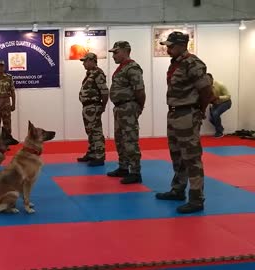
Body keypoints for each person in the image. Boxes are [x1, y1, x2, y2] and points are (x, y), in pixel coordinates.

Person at [155, 31, 215, 214]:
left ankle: (197, 199)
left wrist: (199, 111)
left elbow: (207, 92)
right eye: (167, 46)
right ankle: (178, 190)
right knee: (177, 155)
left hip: (187, 114)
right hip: (174, 114)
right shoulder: (176, 63)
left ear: (182, 45)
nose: (168, 49)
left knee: (192, 158)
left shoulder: (193, 63)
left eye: (171, 46)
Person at [106, 41, 146, 184]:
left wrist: (138, 108)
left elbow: (140, 91)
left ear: (125, 51)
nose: (113, 56)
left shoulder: (132, 68)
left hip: (128, 107)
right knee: (120, 139)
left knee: (130, 140)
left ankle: (135, 172)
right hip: (120, 108)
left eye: (116, 52)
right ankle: (123, 167)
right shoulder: (122, 68)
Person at [76, 52, 109, 167]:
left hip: (93, 106)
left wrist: (103, 106)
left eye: (85, 61)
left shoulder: (98, 73)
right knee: (90, 131)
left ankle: (99, 157)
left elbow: (105, 92)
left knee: (96, 132)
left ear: (92, 61)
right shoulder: (90, 73)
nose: (83, 64)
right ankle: (91, 153)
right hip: (87, 107)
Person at [207, 73, 231, 138]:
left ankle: (219, 132)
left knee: (215, 114)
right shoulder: (206, 87)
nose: (207, 81)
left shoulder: (220, 85)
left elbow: (228, 96)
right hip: (216, 103)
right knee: (211, 119)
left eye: (208, 79)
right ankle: (221, 128)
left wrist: (218, 97)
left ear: (212, 79)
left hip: (226, 102)